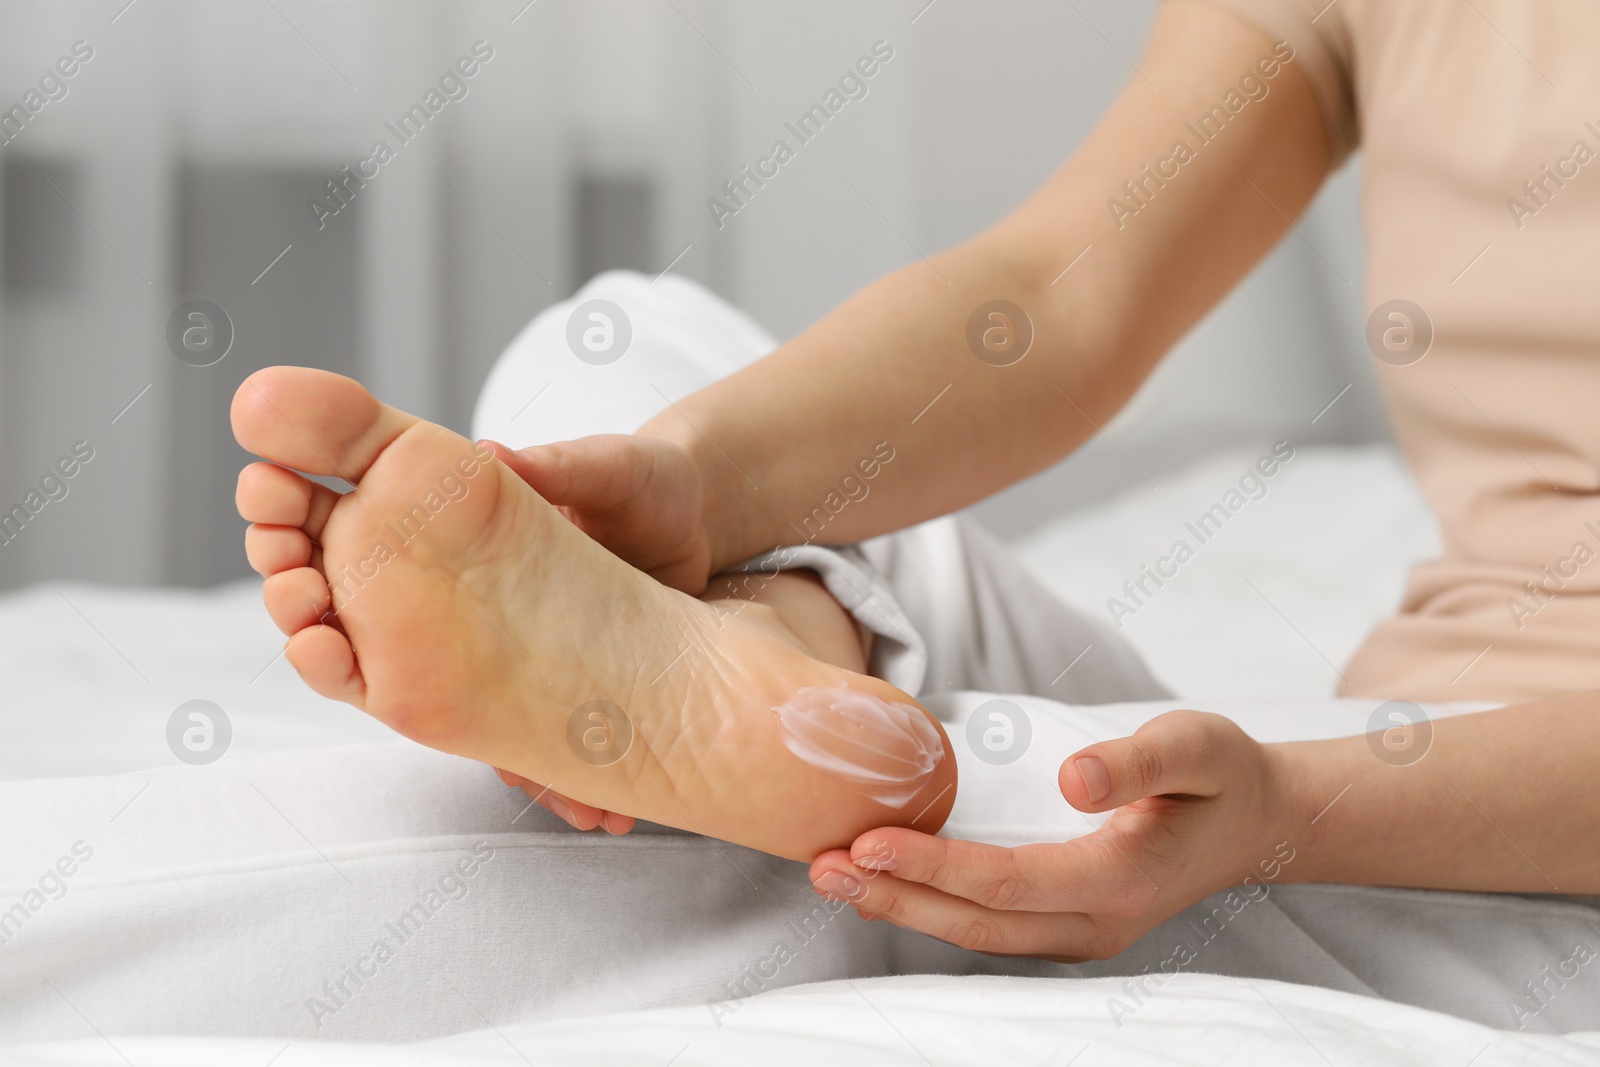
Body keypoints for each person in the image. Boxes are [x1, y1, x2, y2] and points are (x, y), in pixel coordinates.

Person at [234, 0, 1600, 966]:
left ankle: (804, 707)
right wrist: (698, 486)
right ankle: (780, 639)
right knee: (626, 342)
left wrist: (1292, 814)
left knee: (1000, 811)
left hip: (1500, 828)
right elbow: (1055, 300)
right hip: (1358, 724)